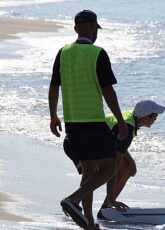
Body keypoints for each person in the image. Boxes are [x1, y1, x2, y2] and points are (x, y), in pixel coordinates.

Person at [48, 10, 128, 230]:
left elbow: (54, 86)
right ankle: (72, 200)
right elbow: (107, 91)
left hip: (72, 123)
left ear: (76, 28)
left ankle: (89, 221)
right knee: (110, 168)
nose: (96, 33)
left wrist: (53, 115)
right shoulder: (97, 53)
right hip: (93, 121)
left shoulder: (63, 52)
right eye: (96, 29)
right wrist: (121, 121)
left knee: (89, 171)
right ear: (93, 27)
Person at [64, 100, 165, 219]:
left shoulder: (130, 118)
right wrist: (112, 199)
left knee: (127, 167)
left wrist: (131, 161)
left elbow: (116, 146)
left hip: (85, 140)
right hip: (77, 142)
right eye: (155, 116)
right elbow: (113, 167)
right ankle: (74, 202)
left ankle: (103, 209)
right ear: (146, 117)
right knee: (96, 172)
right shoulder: (127, 127)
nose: (156, 119)